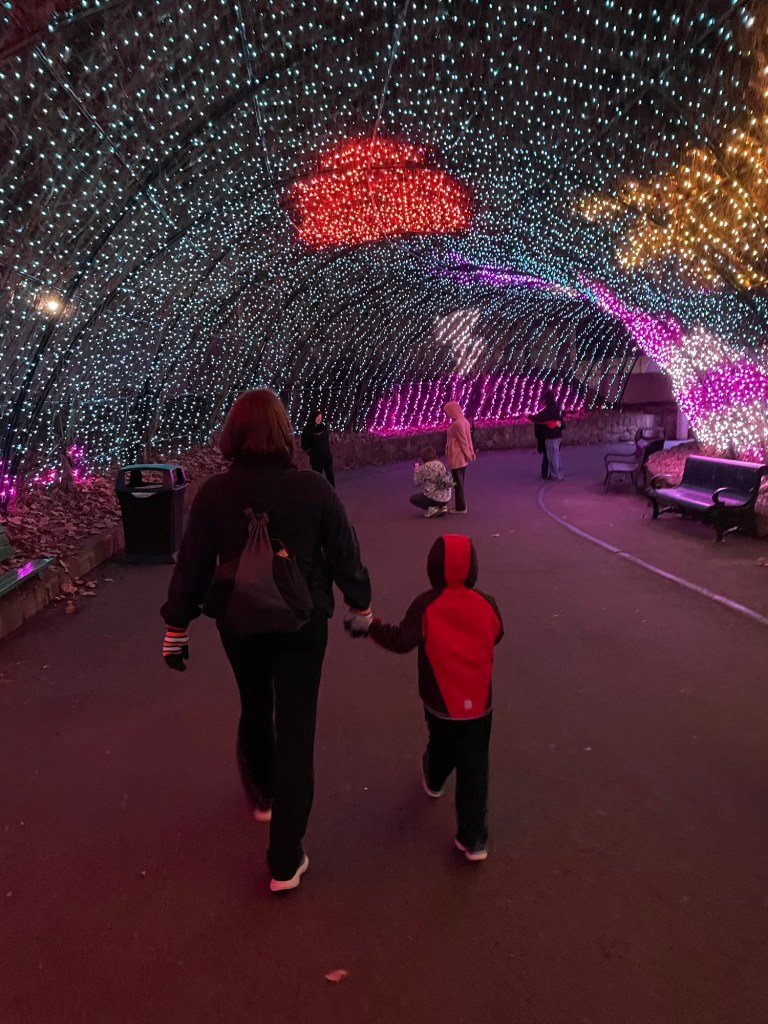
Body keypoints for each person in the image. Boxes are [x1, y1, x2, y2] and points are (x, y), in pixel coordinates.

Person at [160, 389, 371, 893]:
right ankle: (284, 858)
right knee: (297, 727)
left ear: (233, 434)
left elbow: (191, 566)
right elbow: (344, 551)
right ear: (283, 431)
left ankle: (264, 794)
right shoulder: (313, 490)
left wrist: (177, 627)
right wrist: (360, 604)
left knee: (255, 703)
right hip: (302, 623)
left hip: (239, 623)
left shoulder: (215, 494)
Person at [350, 534, 503, 861]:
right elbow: (498, 634)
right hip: (479, 704)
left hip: (440, 700)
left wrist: (370, 626)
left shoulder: (426, 604)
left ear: (432, 567)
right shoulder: (487, 603)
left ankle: (434, 777)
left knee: (443, 743)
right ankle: (473, 838)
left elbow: (403, 640)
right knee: (475, 769)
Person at [443, 401, 476, 514]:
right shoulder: (464, 421)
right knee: (459, 482)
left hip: (457, 455)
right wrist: (470, 453)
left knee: (458, 483)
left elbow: (463, 441)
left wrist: (468, 454)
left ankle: (461, 507)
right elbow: (468, 439)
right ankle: (459, 506)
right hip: (461, 457)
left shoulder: (458, 424)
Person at [528, 389, 565, 480]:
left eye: (544, 400)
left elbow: (540, 418)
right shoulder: (556, 407)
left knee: (552, 456)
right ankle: (558, 473)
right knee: (556, 456)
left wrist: (529, 416)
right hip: (557, 435)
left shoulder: (550, 409)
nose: (543, 402)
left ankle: (555, 475)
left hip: (551, 436)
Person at [410, 446, 453, 518]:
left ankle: (432, 508)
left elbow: (417, 482)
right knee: (438, 494)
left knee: (413, 498)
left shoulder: (424, 467)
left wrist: (416, 471)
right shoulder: (440, 464)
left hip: (433, 498)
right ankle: (442, 507)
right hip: (447, 497)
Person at [301, 409, 335, 487]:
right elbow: (304, 442)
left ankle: (332, 491)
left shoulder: (323, 427)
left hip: (326, 456)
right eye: (317, 418)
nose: (319, 420)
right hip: (316, 457)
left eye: (320, 418)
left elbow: (323, 439)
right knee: (317, 476)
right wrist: (308, 449)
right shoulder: (307, 429)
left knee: (329, 475)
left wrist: (316, 437)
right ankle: (318, 491)